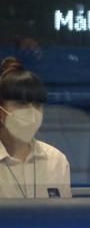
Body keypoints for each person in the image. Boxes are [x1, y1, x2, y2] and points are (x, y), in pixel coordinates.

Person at [0, 57, 71, 199]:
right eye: (21, 103)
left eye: (38, 105)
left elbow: (64, 218)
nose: (32, 113)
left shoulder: (56, 160)